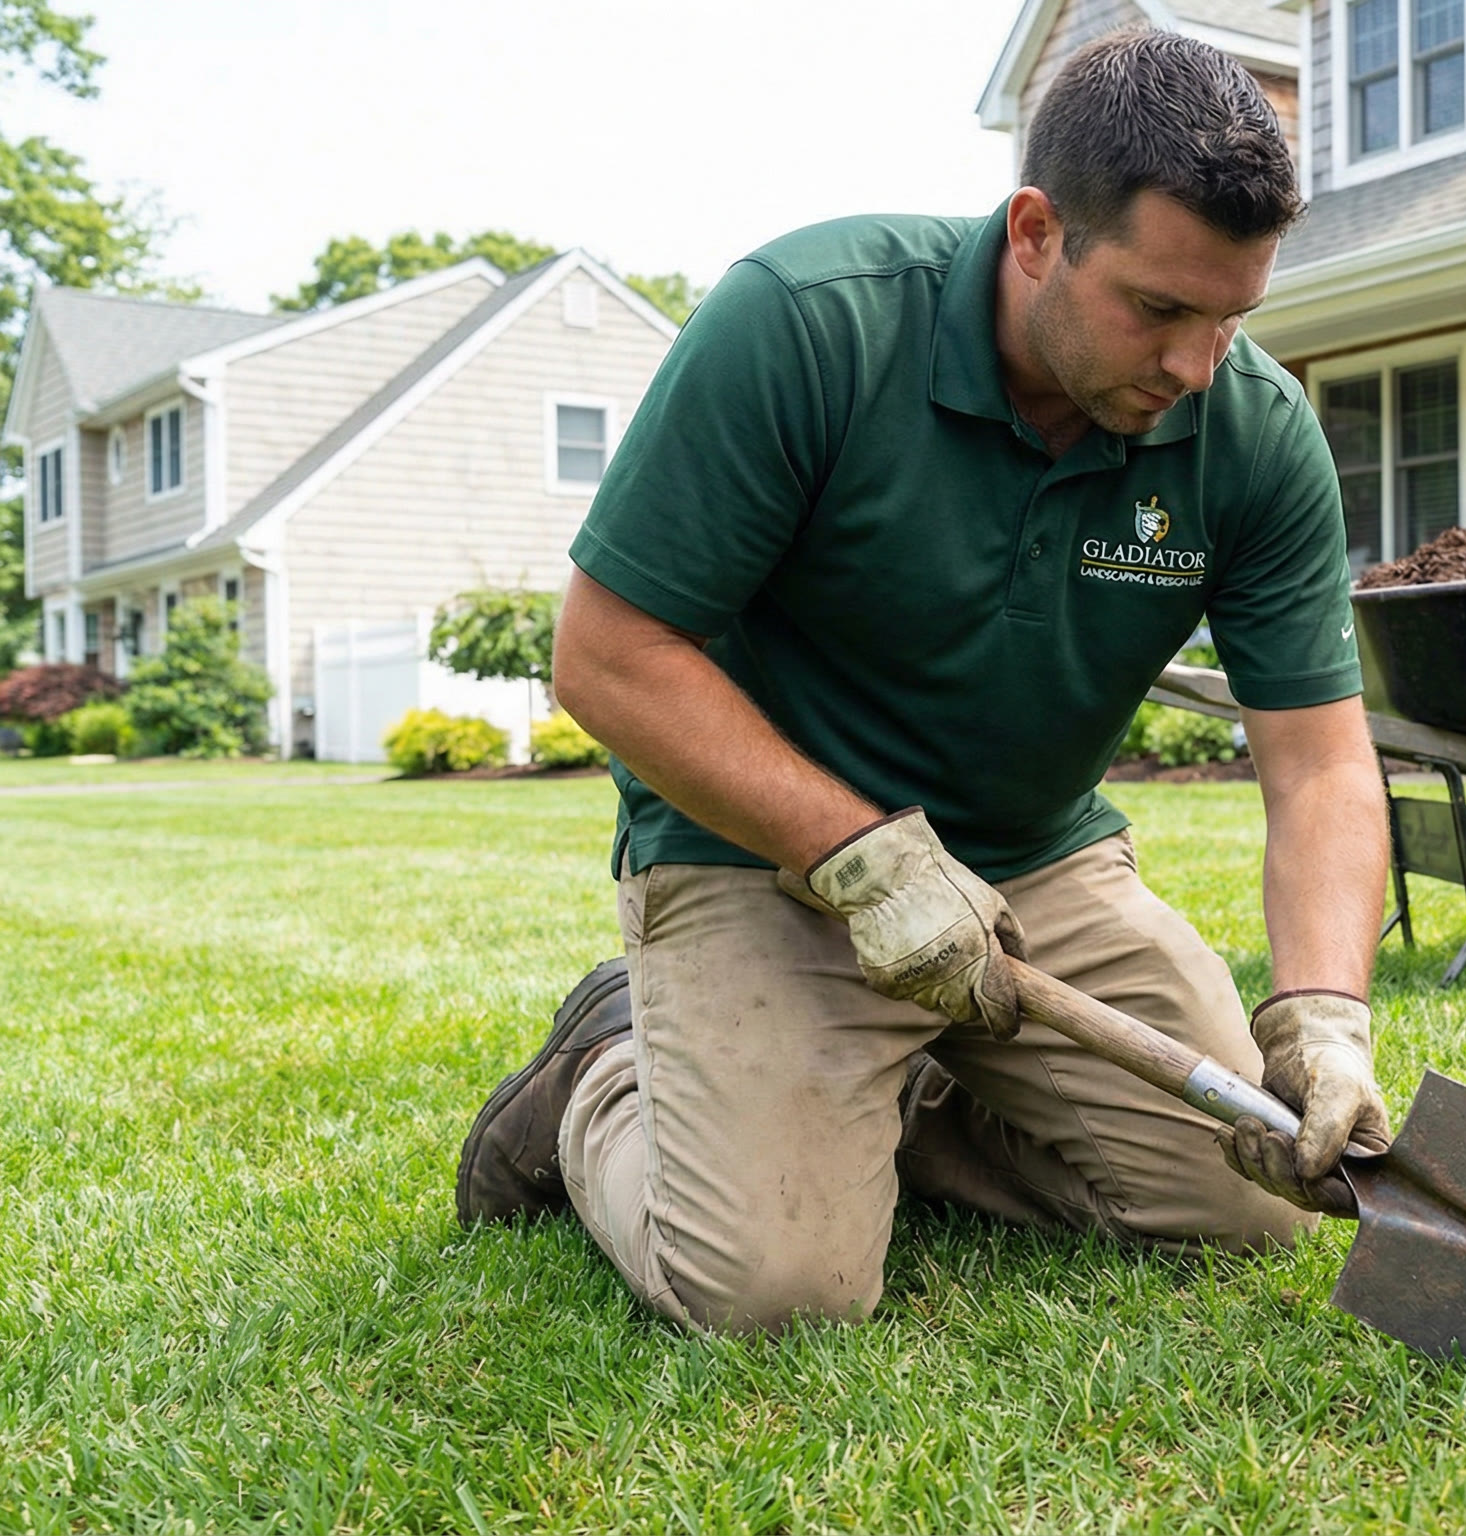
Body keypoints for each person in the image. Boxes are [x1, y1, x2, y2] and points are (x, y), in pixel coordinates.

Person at [449, 28, 1391, 1334]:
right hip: (761, 865)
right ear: (1035, 233)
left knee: (1251, 1205)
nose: (1194, 366)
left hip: (1036, 871)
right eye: (1160, 310)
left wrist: (1326, 1008)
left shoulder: (1250, 434)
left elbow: (1321, 761)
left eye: (1232, 318)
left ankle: (888, 1104)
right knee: (779, 1294)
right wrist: (861, 858)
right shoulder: (806, 325)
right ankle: (604, 1083)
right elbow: (611, 656)